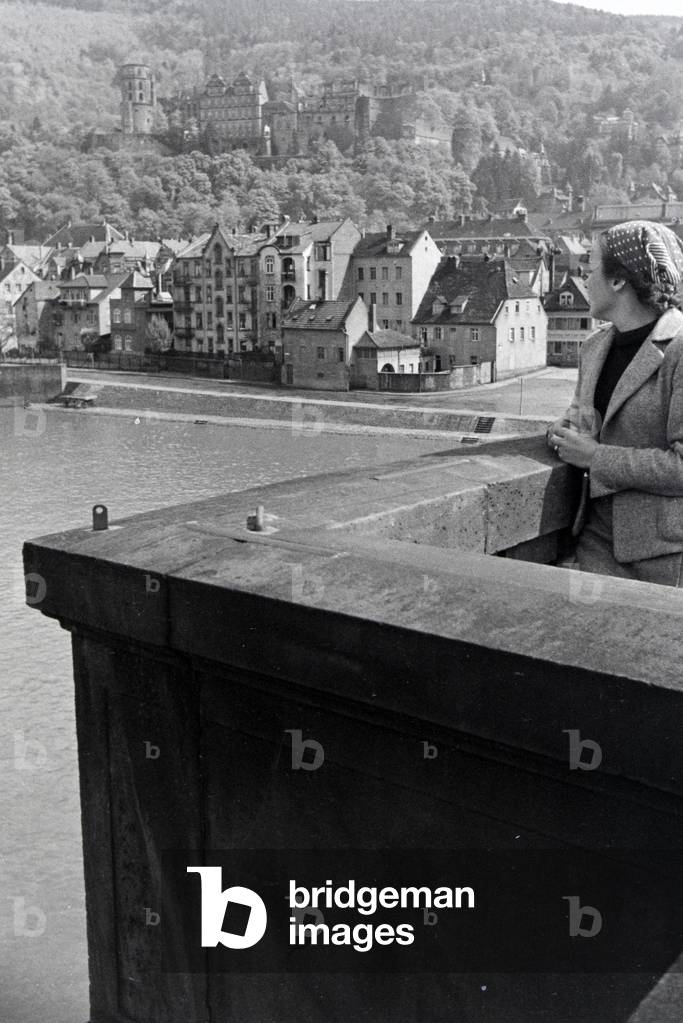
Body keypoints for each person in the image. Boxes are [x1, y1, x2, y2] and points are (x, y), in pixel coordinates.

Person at [547, 220, 683, 587]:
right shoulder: (594, 347)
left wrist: (596, 457)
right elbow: (583, 421)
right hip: (592, 545)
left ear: (619, 280)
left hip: (664, 559)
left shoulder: (679, 350)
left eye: (591, 268)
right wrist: (562, 431)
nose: (585, 279)